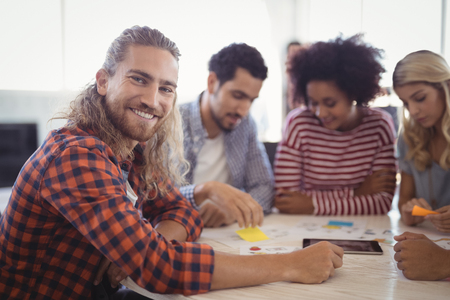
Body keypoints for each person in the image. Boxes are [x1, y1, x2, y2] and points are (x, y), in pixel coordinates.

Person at [0, 26, 344, 299]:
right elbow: (159, 269)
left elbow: (183, 211)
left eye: (166, 88)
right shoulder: (77, 155)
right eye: (139, 78)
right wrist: (290, 265)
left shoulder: (133, 149)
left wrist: (138, 244)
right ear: (104, 81)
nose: (153, 100)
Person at [273, 35, 397, 215]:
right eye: (313, 102)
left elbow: (382, 203)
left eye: (330, 103)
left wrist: (311, 204)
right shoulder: (299, 124)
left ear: (353, 93)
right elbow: (286, 201)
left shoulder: (379, 126)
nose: (320, 113)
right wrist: (357, 193)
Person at [178, 43, 274, 228]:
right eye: (238, 96)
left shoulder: (245, 125)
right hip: (179, 233)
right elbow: (154, 199)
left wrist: (233, 210)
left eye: (251, 100)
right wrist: (203, 192)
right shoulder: (170, 123)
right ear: (212, 82)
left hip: (225, 234)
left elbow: (264, 187)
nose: (244, 110)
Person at [393, 50, 450, 233]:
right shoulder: (409, 137)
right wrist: (410, 211)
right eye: (406, 103)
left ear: (446, 86)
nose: (413, 111)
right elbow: (404, 201)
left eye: (420, 98)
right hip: (429, 237)